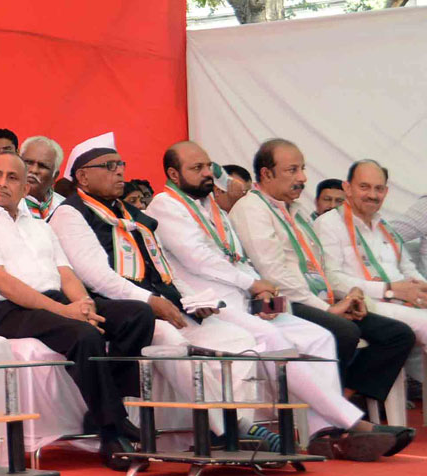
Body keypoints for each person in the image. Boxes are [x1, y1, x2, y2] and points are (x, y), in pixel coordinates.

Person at [150, 140, 409, 460]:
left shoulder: (210, 206)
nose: (206, 173)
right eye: (196, 168)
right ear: (173, 174)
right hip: (210, 307)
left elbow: (237, 257)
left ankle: (320, 432)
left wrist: (261, 290)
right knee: (274, 339)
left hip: (245, 300)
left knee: (318, 337)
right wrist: (253, 283)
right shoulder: (166, 205)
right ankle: (350, 421)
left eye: (207, 166)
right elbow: (199, 259)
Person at [49, 134, 263, 443]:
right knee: (170, 339)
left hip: (161, 304)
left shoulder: (132, 215)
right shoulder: (71, 213)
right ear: (82, 176)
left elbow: (163, 269)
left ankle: (238, 427)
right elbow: (96, 276)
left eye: (120, 164)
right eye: (108, 166)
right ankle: (231, 429)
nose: (119, 171)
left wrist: (192, 299)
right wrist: (150, 301)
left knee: (238, 340)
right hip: (120, 313)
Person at [0, 152, 153, 469]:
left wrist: (83, 304)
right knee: (83, 335)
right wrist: (65, 311)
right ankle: (112, 430)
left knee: (137, 316)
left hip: (53, 301)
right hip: (7, 310)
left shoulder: (39, 227)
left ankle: (102, 410)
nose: (2, 183)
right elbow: (0, 281)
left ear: (25, 188)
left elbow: (66, 273)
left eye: (12, 178)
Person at [230, 140, 416, 409]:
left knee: (398, 335)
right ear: (266, 174)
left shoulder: (296, 210)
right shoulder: (252, 209)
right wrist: (327, 309)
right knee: (345, 331)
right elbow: (274, 275)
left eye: (302, 169)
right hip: (279, 302)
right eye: (292, 170)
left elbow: (319, 268)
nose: (302, 178)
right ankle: (328, 412)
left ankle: (349, 401)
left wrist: (348, 296)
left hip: (318, 298)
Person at [315, 159, 427, 369]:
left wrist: (422, 289)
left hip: (400, 301)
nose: (372, 195)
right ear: (348, 188)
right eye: (364, 187)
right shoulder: (329, 224)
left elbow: (408, 268)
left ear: (386, 192)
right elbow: (331, 279)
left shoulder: (384, 226)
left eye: (379, 189)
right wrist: (389, 290)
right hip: (366, 305)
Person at [17, 135, 65, 221]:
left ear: (55, 176)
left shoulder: (66, 208)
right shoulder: (0, 201)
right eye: (29, 162)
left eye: (42, 166)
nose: (33, 170)